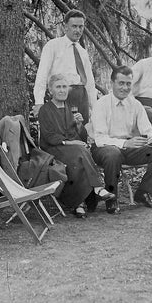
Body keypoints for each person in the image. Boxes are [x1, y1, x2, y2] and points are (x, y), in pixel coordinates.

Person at [90, 65, 152, 214]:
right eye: (121, 83)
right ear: (112, 83)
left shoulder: (135, 104)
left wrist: (151, 138)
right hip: (103, 149)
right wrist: (124, 143)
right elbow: (100, 139)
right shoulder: (101, 104)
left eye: (128, 84)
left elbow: (148, 129)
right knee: (113, 154)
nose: (125, 88)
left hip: (129, 149)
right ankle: (112, 197)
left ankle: (143, 192)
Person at [38, 74, 116, 218]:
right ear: (51, 91)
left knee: (78, 157)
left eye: (64, 87)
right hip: (53, 148)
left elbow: (79, 136)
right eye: (58, 87)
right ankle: (98, 187)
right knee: (79, 151)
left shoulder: (69, 108)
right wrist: (70, 142)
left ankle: (78, 204)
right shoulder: (45, 110)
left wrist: (79, 126)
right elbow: (49, 136)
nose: (62, 90)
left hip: (72, 150)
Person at [33, 9, 96, 124]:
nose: (78, 30)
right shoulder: (53, 46)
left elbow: (90, 83)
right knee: (64, 132)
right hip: (62, 95)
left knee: (82, 132)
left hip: (82, 97)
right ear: (65, 26)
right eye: (74, 26)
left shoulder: (82, 52)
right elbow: (42, 74)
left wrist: (95, 108)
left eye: (81, 27)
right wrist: (39, 101)